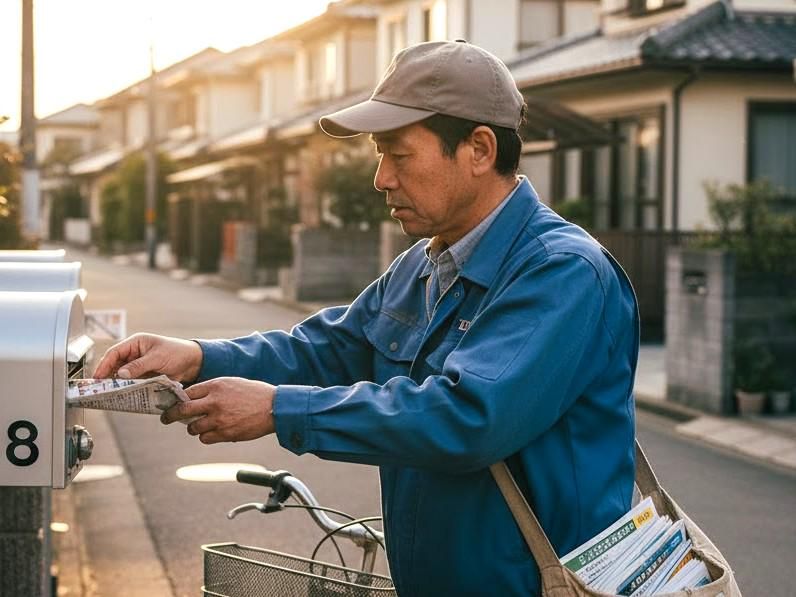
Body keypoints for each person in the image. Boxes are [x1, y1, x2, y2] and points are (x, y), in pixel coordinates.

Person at [94, 40, 639, 595]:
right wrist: (200, 356)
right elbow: (324, 349)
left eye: (399, 155)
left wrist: (279, 409)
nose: (381, 178)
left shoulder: (561, 273)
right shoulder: (425, 262)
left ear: (478, 149)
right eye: (379, 156)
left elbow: (468, 416)